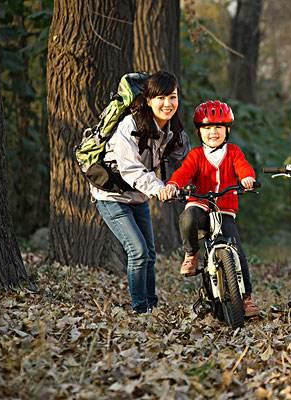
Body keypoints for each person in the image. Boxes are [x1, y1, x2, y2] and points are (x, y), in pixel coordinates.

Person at [91, 71, 189, 314]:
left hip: (138, 196)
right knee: (138, 250)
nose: (168, 104)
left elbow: (186, 160)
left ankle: (151, 306)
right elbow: (131, 170)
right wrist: (160, 188)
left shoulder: (173, 129)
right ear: (148, 100)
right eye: (161, 98)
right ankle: (140, 309)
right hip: (111, 196)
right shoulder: (129, 126)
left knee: (150, 254)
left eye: (173, 97)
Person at [159, 100, 260, 317]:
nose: (212, 132)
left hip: (224, 210)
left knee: (238, 252)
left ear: (227, 130)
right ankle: (192, 254)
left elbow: (243, 166)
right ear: (199, 131)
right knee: (187, 218)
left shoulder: (233, 152)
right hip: (200, 205)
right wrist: (173, 185)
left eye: (218, 127)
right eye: (207, 128)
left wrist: (247, 178)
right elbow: (184, 172)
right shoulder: (196, 155)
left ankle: (246, 298)